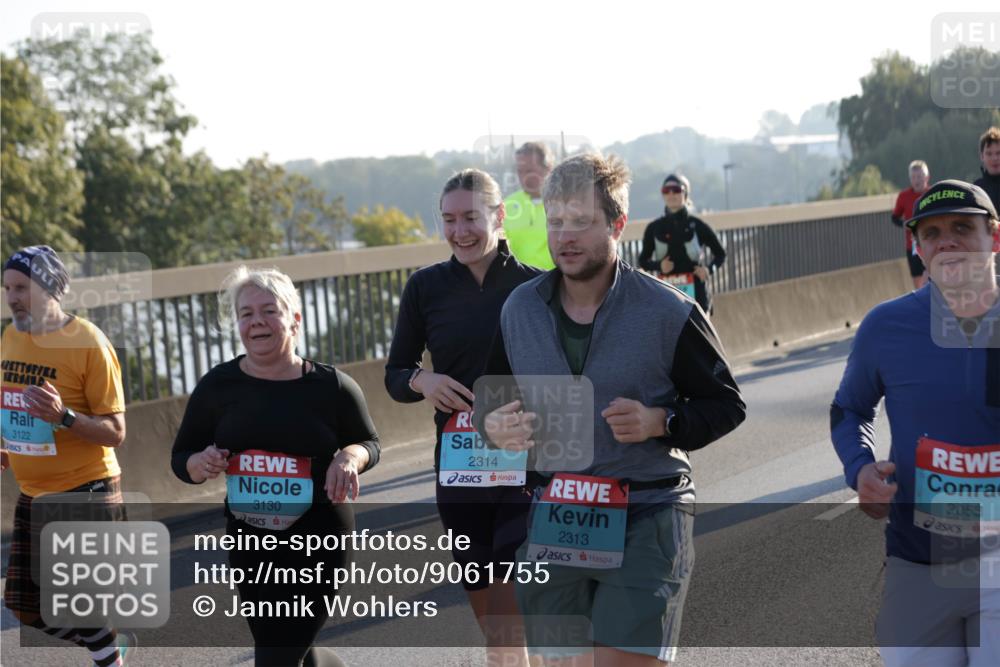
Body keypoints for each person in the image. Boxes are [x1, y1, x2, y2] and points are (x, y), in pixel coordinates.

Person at [475, 154, 746, 666]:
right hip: (556, 516)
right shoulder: (519, 309)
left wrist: (661, 422)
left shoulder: (669, 311)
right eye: (556, 222)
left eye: (582, 221)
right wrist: (494, 428)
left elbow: (726, 405)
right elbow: (492, 405)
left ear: (618, 224)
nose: (565, 236)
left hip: (646, 511)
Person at [171, 266, 380, 667]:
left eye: (269, 310)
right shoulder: (218, 387)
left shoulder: (331, 386)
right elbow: (182, 460)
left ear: (294, 320)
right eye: (246, 314)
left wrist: (349, 456)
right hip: (250, 538)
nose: (257, 322)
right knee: (284, 644)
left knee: (277, 656)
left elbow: (370, 442)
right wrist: (201, 462)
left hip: (320, 534)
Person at [830, 179, 1000, 667]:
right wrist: (859, 468)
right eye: (932, 233)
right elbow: (849, 409)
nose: (946, 241)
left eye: (963, 228)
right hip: (917, 560)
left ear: (995, 236)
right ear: (918, 248)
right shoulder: (886, 326)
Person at [385, 169, 541, 665]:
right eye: (449, 220)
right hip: (459, 465)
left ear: (498, 216)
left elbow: (565, 376)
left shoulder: (536, 287)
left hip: (525, 463)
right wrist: (422, 381)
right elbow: (395, 372)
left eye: (471, 218)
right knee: (488, 607)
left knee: (511, 598)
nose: (460, 231)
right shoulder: (424, 287)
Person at [1, 246, 132, 666]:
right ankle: (111, 644)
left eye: (21, 287)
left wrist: (64, 415)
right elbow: (11, 404)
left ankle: (109, 656)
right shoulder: (10, 336)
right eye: (7, 288)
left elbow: (115, 432)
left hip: (86, 488)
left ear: (50, 287)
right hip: (34, 492)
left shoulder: (89, 342)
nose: (12, 297)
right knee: (25, 606)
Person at [638, 173, 726, 314]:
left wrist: (708, 270)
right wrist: (658, 265)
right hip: (667, 296)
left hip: (698, 296)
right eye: (666, 191)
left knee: (698, 336)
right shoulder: (654, 228)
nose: (671, 194)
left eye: (676, 190)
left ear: (685, 194)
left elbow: (721, 254)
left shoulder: (698, 226)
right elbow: (643, 261)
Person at [504, 141, 556, 270]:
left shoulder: (567, 204)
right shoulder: (507, 206)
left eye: (530, 171)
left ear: (548, 168)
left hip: (557, 284)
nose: (524, 177)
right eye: (520, 171)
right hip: (517, 285)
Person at [891, 160, 931, 290]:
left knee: (931, 274)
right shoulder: (904, 196)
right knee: (917, 278)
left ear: (927, 177)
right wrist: (904, 224)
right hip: (912, 244)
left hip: (931, 242)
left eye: (919, 177)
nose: (916, 180)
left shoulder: (933, 193)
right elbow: (894, 217)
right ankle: (921, 303)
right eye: (913, 177)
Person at [974, 126, 1000, 213]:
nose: (994, 158)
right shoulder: (976, 190)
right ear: (982, 156)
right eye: (989, 154)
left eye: (998, 153)